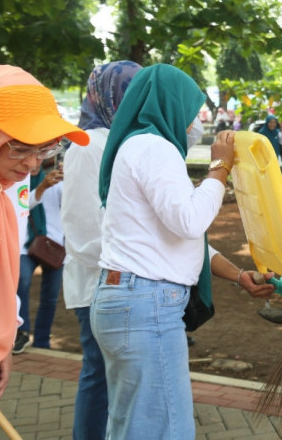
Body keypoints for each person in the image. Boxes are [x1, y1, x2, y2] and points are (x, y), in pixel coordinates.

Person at [90, 63, 259, 438]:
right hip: (145, 306)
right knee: (164, 429)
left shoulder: (137, 145)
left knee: (136, 427)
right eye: (191, 110)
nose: (194, 123)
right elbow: (189, 221)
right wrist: (220, 167)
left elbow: (178, 238)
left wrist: (237, 275)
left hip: (131, 301)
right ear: (170, 104)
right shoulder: (153, 147)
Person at [0, 64, 88, 437]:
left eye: (45, 149)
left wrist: (4, 342)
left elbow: (4, 271)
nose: (32, 163)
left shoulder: (5, 185)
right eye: (21, 148)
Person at [60, 60, 142, 440]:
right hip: (98, 280)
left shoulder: (119, 140)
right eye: (130, 91)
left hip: (118, 277)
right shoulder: (87, 144)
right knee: (98, 373)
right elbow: (80, 231)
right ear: (110, 95)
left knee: (115, 378)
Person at [14, 163, 65, 353]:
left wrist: (70, 180)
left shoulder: (58, 181)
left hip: (54, 245)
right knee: (22, 281)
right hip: (26, 245)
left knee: (50, 297)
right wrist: (42, 186)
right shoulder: (19, 181)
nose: (34, 164)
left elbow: (72, 204)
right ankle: (22, 332)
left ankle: (42, 340)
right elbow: (23, 204)